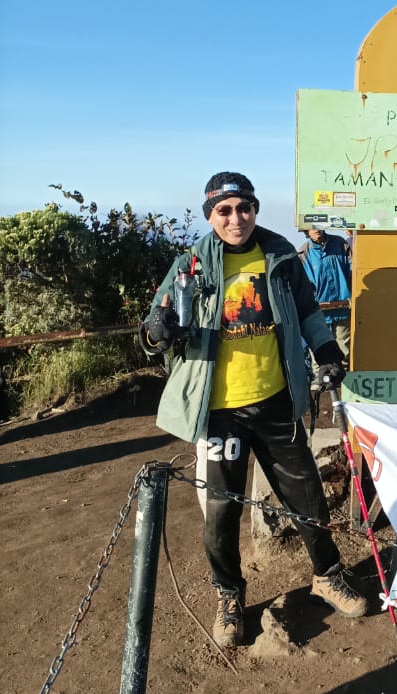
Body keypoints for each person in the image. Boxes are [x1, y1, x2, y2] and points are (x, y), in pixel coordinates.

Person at [140, 172, 368, 649]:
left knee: (306, 495)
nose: (235, 218)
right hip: (220, 409)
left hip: (277, 401)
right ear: (210, 216)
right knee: (221, 512)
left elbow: (308, 313)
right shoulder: (191, 264)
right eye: (224, 211)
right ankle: (228, 596)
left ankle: (326, 574)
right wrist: (157, 331)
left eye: (243, 208)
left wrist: (327, 353)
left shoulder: (281, 256)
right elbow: (152, 331)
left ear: (255, 210)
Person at [298, 227, 353, 364]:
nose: (315, 229)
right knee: (318, 352)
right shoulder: (303, 253)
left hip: (343, 307)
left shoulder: (340, 244)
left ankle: (343, 383)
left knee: (344, 351)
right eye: (310, 227)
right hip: (318, 312)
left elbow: (352, 270)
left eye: (317, 225)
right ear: (306, 231)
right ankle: (321, 383)